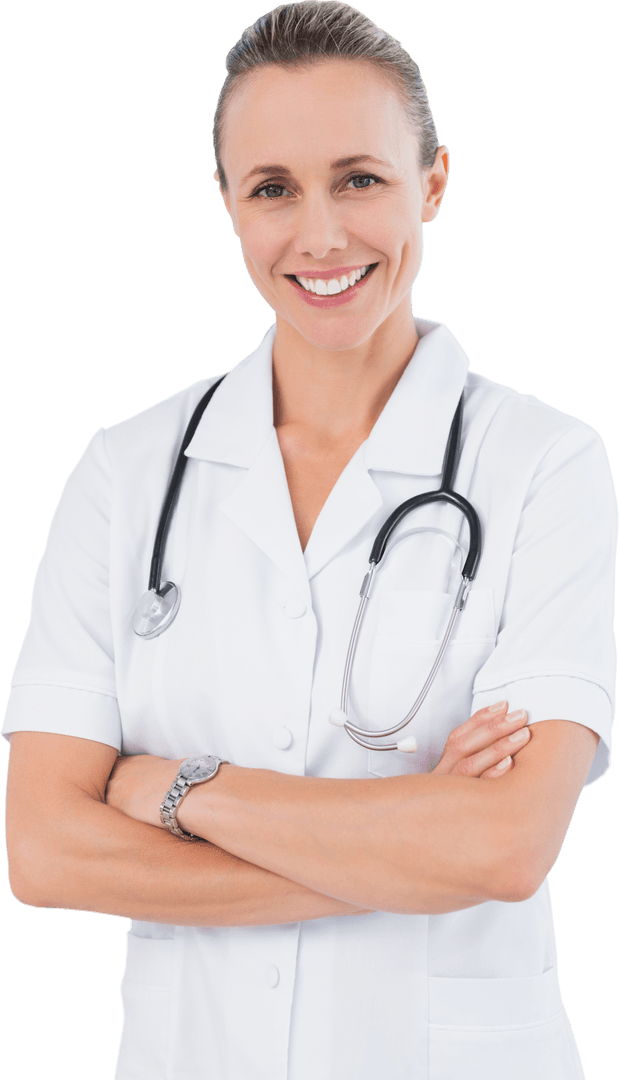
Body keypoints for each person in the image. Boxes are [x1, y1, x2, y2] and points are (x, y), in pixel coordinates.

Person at [3, 2, 616, 1078]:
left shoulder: (544, 464)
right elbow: (45, 852)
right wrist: (404, 848)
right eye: (272, 188)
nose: (320, 235)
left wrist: (174, 793)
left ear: (431, 182)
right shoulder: (126, 471)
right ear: (229, 207)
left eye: (360, 179)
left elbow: (507, 845)